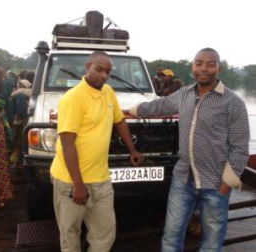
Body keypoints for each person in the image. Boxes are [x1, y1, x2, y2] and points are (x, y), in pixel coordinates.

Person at [124, 48, 250, 251]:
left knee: (211, 244)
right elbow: (158, 106)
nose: (204, 69)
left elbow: (240, 147)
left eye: (211, 64)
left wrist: (226, 185)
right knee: (171, 238)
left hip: (215, 183)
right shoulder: (183, 94)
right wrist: (130, 111)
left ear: (219, 67)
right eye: (199, 63)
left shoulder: (233, 103)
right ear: (193, 66)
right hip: (182, 180)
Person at [50, 51, 144, 252]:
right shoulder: (73, 98)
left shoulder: (108, 91)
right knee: (70, 235)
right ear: (87, 67)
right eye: (99, 70)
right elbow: (67, 143)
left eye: (108, 71)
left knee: (105, 234)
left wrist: (132, 149)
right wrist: (78, 185)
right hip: (71, 181)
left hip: (101, 178)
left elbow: (119, 120)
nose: (103, 75)